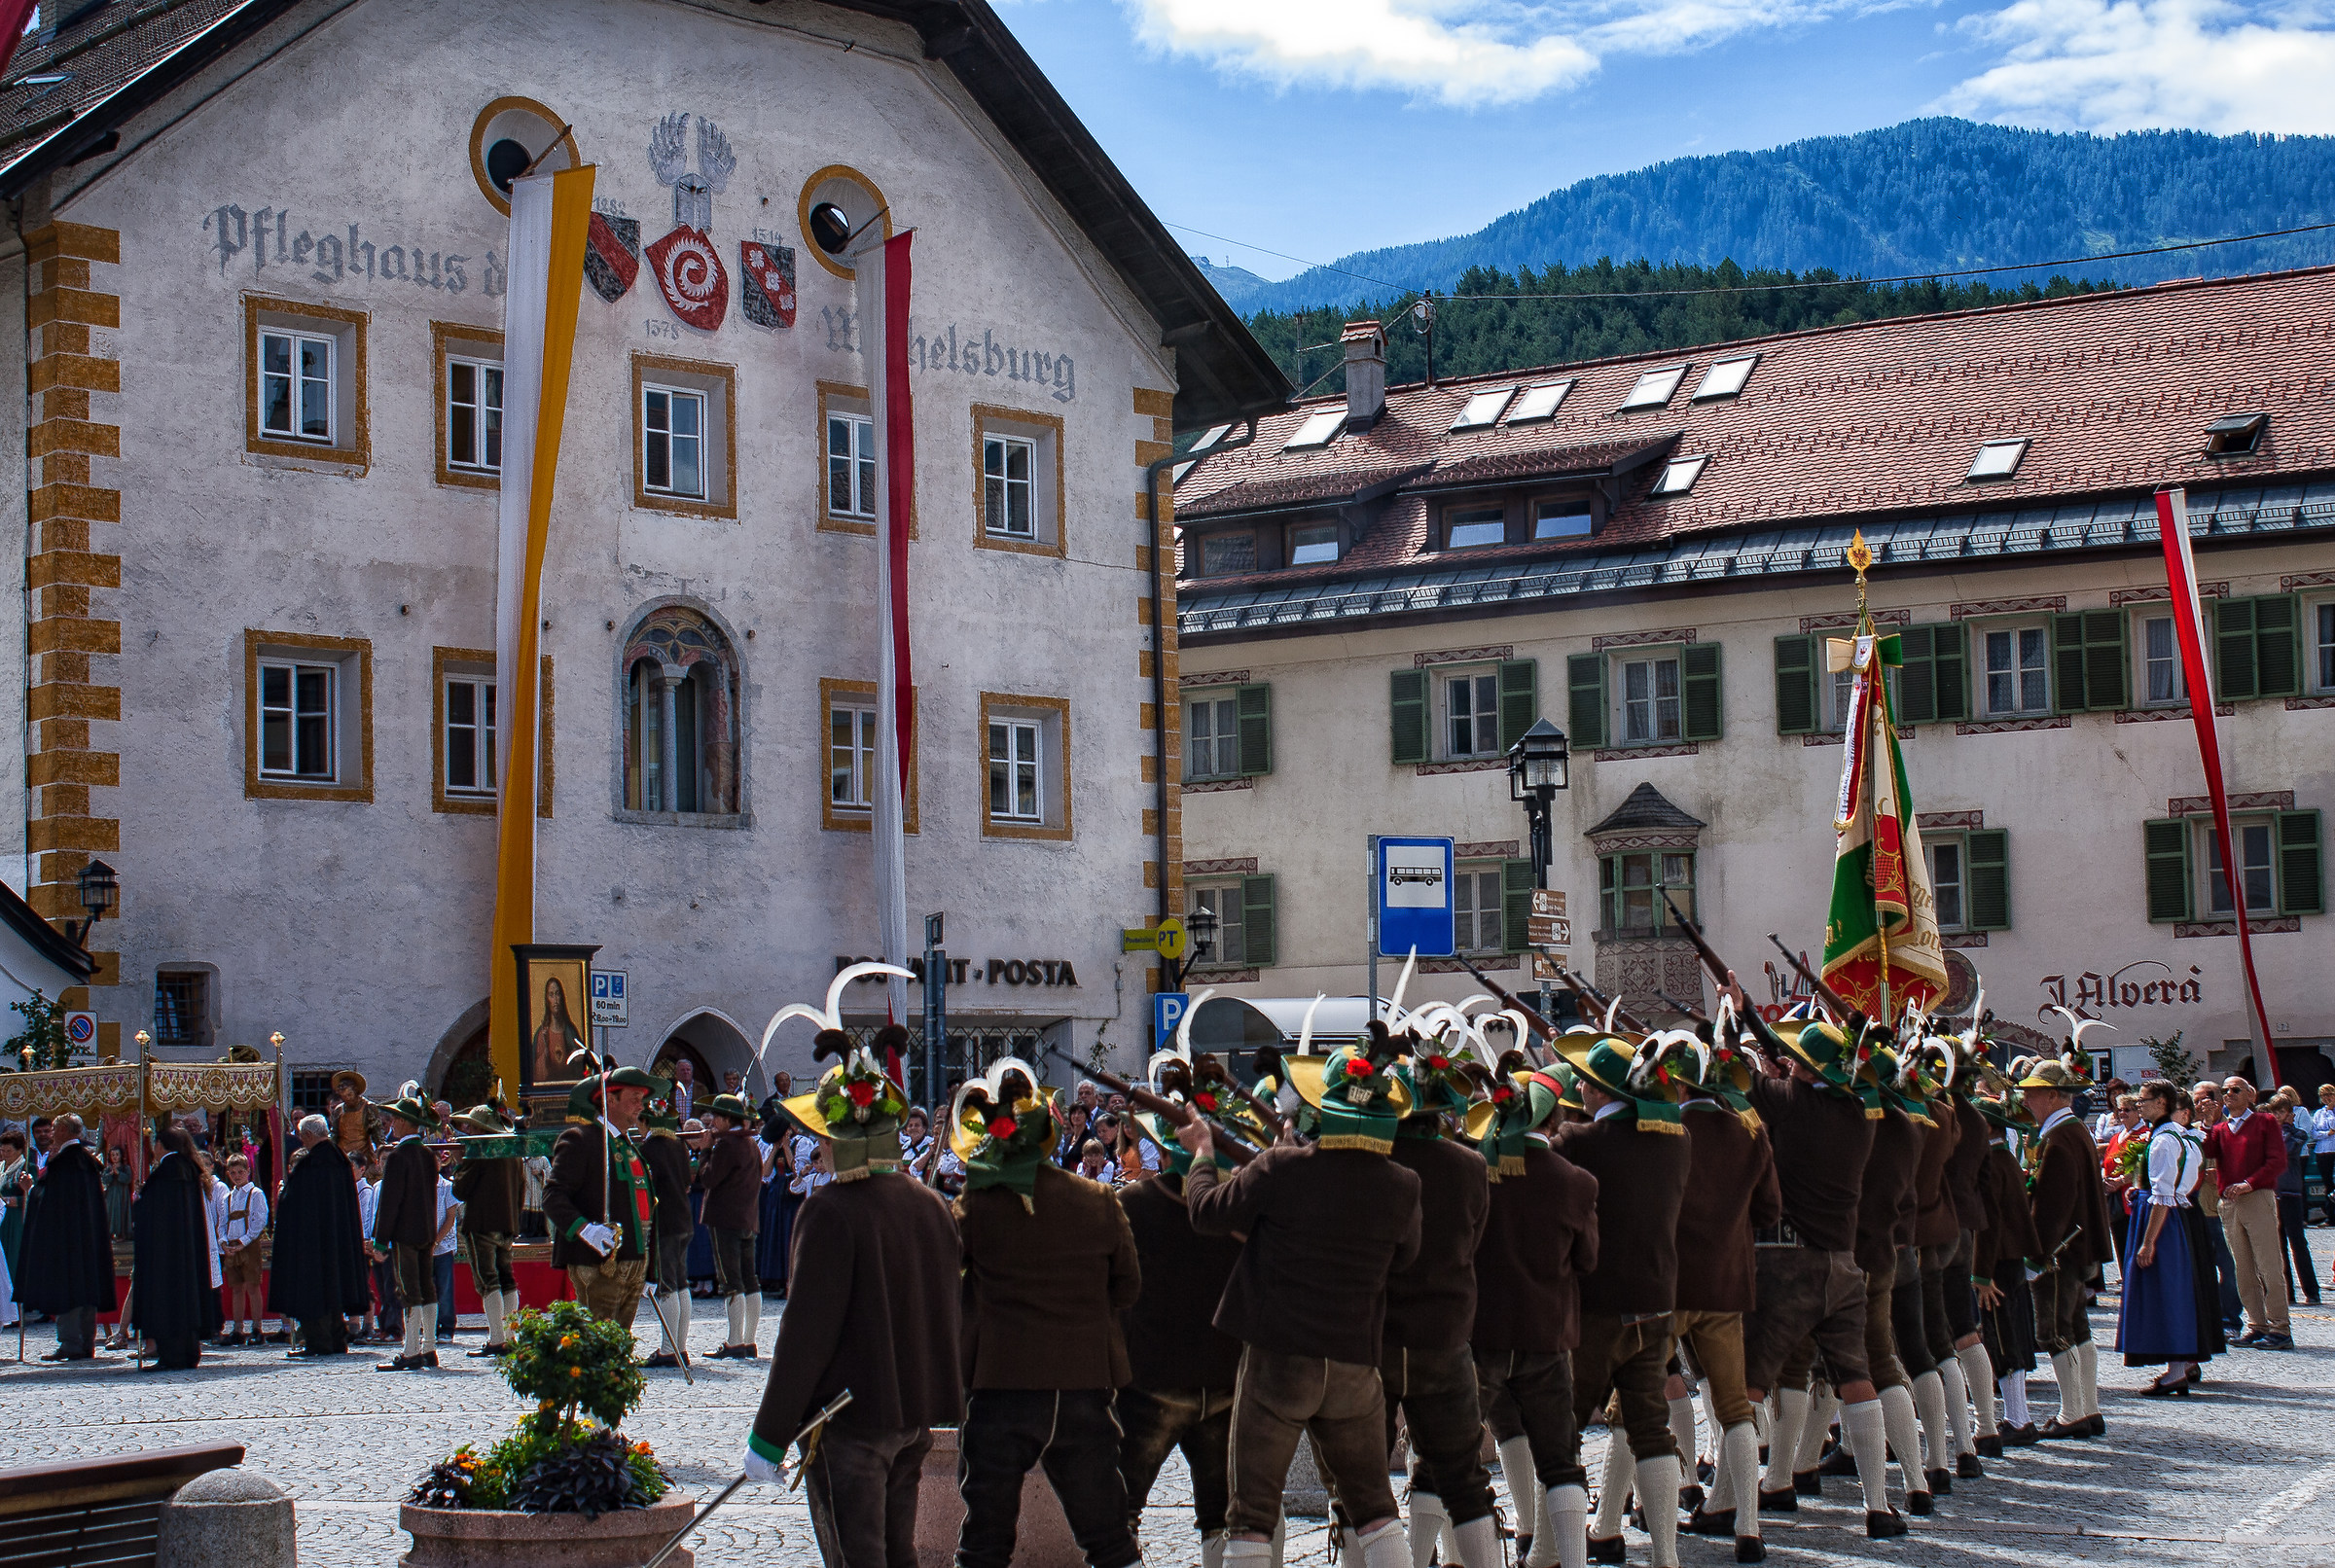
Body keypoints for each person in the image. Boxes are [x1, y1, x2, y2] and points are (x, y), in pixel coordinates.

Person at [1179, 1037, 1422, 1568]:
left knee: (1250, 1515)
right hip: (1355, 1358)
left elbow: (1206, 1213)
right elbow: (1404, 1259)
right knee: (1376, 1510)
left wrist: (1202, 1153)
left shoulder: (1282, 1169)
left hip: (1279, 1359)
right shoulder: (1403, 1184)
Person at [744, 1029, 961, 1568]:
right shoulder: (931, 1204)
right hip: (912, 1414)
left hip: (849, 1420)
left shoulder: (829, 1210)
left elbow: (805, 1334)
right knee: (898, 1555)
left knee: (858, 1558)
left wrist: (769, 1436)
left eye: (822, 1135)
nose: (817, 1146)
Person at [953, 1063, 1143, 1568]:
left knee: (984, 1541)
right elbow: (1128, 1287)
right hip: (1083, 1381)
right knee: (1109, 1537)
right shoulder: (1097, 1199)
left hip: (1003, 1382)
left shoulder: (979, 1203)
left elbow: (946, 1273)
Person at [1727, 1008, 1898, 1540]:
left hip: (1787, 1262)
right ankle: (1878, 1506)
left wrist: (1733, 1016)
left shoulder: (1792, 1102)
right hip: (1842, 1263)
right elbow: (1787, 1077)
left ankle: (1739, 1514)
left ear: (1804, 1069)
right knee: (1857, 1378)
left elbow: (1735, 1070)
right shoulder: (1860, 1111)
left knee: (1749, 1385)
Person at [1547, 1032, 1696, 1568]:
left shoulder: (1579, 1140)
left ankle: (1550, 1553)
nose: (1578, 1087)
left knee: (1560, 1430)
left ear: (1599, 1090)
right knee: (1649, 1426)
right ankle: (1666, 1556)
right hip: (1656, 1298)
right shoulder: (1677, 1139)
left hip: (1596, 1305)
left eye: (1584, 1081)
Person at [1367, 1046, 1497, 1568]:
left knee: (1364, 1480)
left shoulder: (1375, 1164)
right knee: (1463, 1480)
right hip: (1443, 1333)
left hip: (1377, 1336)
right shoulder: (1471, 1165)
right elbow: (1473, 1242)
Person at [1470, 1063, 1599, 1568]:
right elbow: (1588, 1260)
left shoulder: (1474, 1170)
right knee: (1561, 1461)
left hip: (1480, 1331)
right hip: (1546, 1331)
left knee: (1454, 1459)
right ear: (1551, 1121)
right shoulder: (1576, 1182)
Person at [1116, 1109, 1248, 1568]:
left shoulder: (1131, 1203)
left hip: (1151, 1380)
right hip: (1226, 1375)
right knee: (1222, 1516)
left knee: (1119, 1514)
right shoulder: (1239, 1206)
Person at [1667, 1035, 1781, 1564]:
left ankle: (1646, 1516)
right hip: (1727, 1280)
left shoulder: (1667, 1130)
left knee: (1639, 1397)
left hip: (1672, 1283)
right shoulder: (1749, 1129)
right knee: (1735, 1407)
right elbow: (1769, 1210)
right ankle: (1749, 1528)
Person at [2020, 1059, 2116, 1435]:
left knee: (2055, 1330)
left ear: (2054, 1095)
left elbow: (2052, 1206)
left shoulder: (2059, 1138)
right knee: (2077, 1327)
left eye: (2033, 1092)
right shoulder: (2074, 1131)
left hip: (2060, 1251)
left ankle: (2072, 1413)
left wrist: (2036, 1255)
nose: (2026, 1099)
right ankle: (2087, 1409)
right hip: (2078, 1246)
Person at [2115, 1082, 2223, 1395]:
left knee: (2166, 1293)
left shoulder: (2164, 1141)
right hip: (2173, 1217)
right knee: (2175, 1290)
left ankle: (2176, 1370)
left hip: (2162, 1221)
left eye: (2143, 1100)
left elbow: (2164, 1196)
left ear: (2162, 1102)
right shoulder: (2182, 1136)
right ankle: (2182, 1365)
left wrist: (2148, 1242)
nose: (2139, 1105)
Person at [543, 1065, 660, 1329]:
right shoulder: (580, 1139)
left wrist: (651, 1267)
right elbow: (553, 1196)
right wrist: (586, 1229)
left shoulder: (628, 1146)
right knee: (599, 1338)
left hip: (634, 1255)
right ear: (610, 1100)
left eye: (641, 1099)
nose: (640, 1106)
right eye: (634, 1098)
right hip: (599, 1259)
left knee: (620, 1338)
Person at [14, 1115, 115, 1360]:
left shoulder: (65, 1163)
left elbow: (50, 1201)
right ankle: (86, 1342)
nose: (52, 1134)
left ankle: (71, 1342)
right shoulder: (86, 1161)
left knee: (68, 1288)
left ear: (65, 1131)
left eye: (55, 1128)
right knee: (86, 1287)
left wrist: (31, 1189)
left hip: (66, 1238)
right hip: (87, 1237)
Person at [271, 1113, 370, 1358]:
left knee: (313, 1292)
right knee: (334, 1291)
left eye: (302, 1136)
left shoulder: (310, 1165)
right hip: (337, 1239)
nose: (301, 1141)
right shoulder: (341, 1161)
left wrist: (284, 1195)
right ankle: (336, 1338)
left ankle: (318, 1342)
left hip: (312, 1242)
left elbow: (295, 1204)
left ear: (308, 1135)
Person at [2204, 1074, 2289, 1348]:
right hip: (2229, 1202)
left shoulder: (2265, 1122)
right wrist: (2207, 1123)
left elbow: (2277, 1161)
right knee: (2242, 1268)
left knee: (2268, 1265)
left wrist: (2249, 1183)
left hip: (2256, 1196)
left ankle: (2280, 1327)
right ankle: (2256, 1324)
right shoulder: (2221, 1128)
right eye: (2225, 1091)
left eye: (2235, 1090)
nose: (2228, 1094)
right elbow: (2208, 1150)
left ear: (2250, 1095)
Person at [131, 1126, 224, 1370]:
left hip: (166, 1251)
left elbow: (154, 1213)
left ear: (162, 1145)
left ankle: (171, 1355)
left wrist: (140, 1202)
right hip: (188, 1251)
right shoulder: (189, 1171)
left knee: (167, 1301)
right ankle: (188, 1351)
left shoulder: (166, 1173)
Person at [374, 1092, 445, 1372]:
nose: (392, 1123)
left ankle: (411, 1349)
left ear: (404, 1122)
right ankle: (429, 1348)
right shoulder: (428, 1155)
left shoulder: (398, 1156)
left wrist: (380, 1240)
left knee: (409, 1289)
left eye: (395, 1119)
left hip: (404, 1233)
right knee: (427, 1288)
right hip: (426, 1231)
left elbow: (390, 1202)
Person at [450, 1101, 527, 1356]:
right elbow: (522, 1187)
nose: (469, 1132)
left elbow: (460, 1190)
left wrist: (459, 1164)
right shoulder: (512, 1152)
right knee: (507, 1278)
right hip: (507, 1222)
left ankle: (496, 1339)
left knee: (488, 1280)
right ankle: (510, 1336)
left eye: (472, 1127)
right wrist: (515, 1220)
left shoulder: (480, 1151)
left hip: (482, 1223)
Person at [700, 1092, 765, 1359]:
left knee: (731, 1280)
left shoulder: (727, 1145)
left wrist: (705, 1150)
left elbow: (708, 1178)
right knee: (750, 1279)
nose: (712, 1122)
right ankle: (749, 1340)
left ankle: (735, 1341)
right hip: (747, 1218)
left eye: (716, 1116)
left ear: (728, 1119)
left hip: (725, 1219)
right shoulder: (750, 1144)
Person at [638, 1091, 699, 1371]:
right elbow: (687, 1183)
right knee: (681, 1283)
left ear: (647, 1122)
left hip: (664, 1221)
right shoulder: (678, 1145)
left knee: (666, 1284)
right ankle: (680, 1347)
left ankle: (668, 1349)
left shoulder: (648, 1149)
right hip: (684, 1219)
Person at [2189, 1081, 2245, 1332]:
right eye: (2196, 1101)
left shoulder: (2232, 1128)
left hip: (2224, 1209)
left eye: (2205, 1100)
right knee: (2199, 1268)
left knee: (2229, 1268)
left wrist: (2223, 1174)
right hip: (2196, 1208)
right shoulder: (2190, 1131)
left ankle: (2230, 1318)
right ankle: (2206, 1319)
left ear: (2219, 1101)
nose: (2200, 1106)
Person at [216, 1152, 270, 1345]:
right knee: (236, 1288)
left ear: (248, 1171)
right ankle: (237, 1329)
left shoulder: (255, 1194)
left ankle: (257, 1328)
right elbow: (222, 1223)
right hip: (231, 1246)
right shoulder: (228, 1197)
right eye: (233, 1173)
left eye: (240, 1172)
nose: (237, 1176)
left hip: (248, 1245)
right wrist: (223, 1242)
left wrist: (244, 1241)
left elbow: (259, 1220)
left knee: (252, 1286)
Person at [2271, 1098, 2318, 1306]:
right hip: (2273, 1193)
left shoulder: (2298, 1133)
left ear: (2290, 1114)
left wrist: (2284, 1128)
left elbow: (2285, 1150)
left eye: (2282, 1112)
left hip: (2291, 1192)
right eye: (2275, 1112)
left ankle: (2312, 1291)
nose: (2278, 1116)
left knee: (2298, 1242)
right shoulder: (2268, 1134)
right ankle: (2287, 1292)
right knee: (2278, 1244)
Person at [531, 976, 588, 1086]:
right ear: (547, 1000)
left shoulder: (570, 1031)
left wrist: (578, 1057)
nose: (555, 1000)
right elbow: (537, 1072)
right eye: (551, 995)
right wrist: (545, 1051)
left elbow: (582, 1063)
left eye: (557, 994)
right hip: (547, 1090)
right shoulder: (542, 1034)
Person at [431, 1149, 462, 1342]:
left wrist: (436, 1240)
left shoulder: (447, 1186)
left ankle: (447, 1326)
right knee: (428, 1289)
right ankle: (430, 1325)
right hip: (424, 1245)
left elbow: (450, 1218)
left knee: (445, 1288)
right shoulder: (419, 1186)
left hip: (443, 1245)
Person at [333, 1071, 379, 1163]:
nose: (348, 1099)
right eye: (344, 1096)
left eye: (349, 1095)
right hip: (342, 1157)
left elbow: (377, 1134)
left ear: (356, 1091)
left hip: (363, 1157)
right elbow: (334, 1133)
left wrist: (381, 1154)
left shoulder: (368, 1107)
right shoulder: (339, 1109)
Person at [2311, 1085, 2335, 1226]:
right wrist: (2327, 1134)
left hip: (2334, 1149)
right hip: (2322, 1151)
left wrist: (2331, 1110)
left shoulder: (2331, 1112)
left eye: (2329, 1094)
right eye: (2324, 1095)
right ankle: (2331, 1216)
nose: (2327, 1098)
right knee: (2328, 1184)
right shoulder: (2319, 1113)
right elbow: (2314, 1133)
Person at [102, 1145, 133, 1241]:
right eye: (113, 1155)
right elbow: (104, 1180)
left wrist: (119, 1173)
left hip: (122, 1194)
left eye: (117, 1155)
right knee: (110, 1212)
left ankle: (121, 1234)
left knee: (121, 1212)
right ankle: (110, 1232)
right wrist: (111, 1174)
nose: (115, 1157)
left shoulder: (126, 1168)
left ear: (121, 1156)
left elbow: (128, 1179)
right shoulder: (108, 1169)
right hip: (111, 1194)